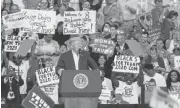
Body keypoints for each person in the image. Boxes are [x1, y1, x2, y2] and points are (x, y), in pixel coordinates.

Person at [56, 37, 100, 108]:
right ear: (71, 46)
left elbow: (94, 65)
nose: (79, 46)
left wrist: (98, 71)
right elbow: (58, 67)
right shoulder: (64, 55)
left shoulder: (85, 54)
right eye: (77, 44)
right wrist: (60, 71)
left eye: (80, 44)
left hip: (84, 85)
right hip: (69, 86)